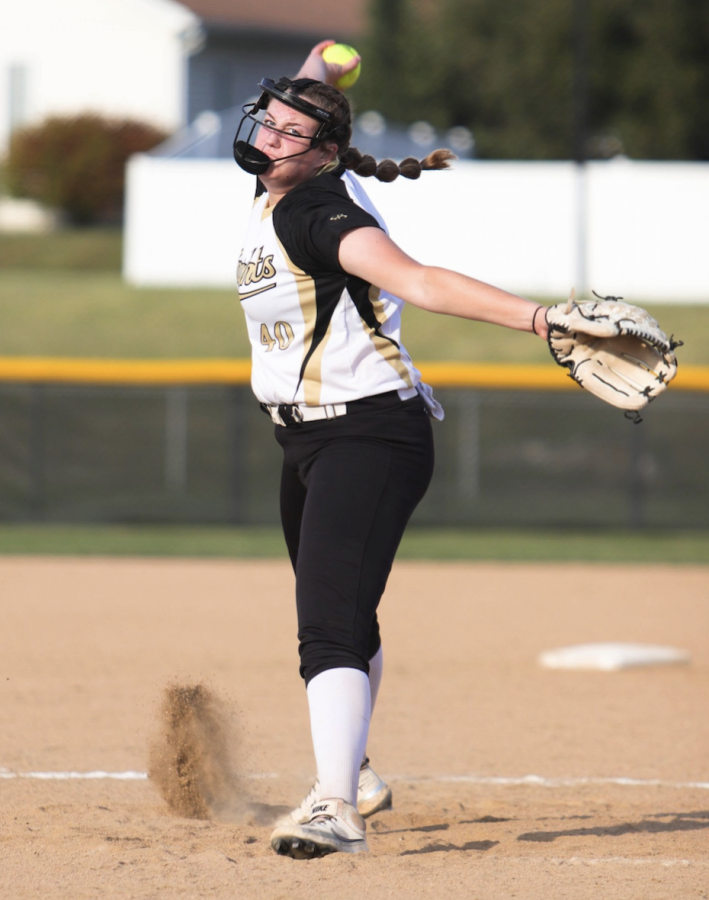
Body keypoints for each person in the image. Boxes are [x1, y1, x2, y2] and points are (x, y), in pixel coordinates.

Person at [232, 40, 550, 860]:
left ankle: (336, 806)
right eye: (266, 120)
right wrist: (325, 70)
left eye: (288, 129)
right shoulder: (280, 178)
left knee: (327, 627)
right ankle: (358, 769)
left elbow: (421, 283)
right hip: (307, 440)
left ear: (326, 152)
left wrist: (544, 320)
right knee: (341, 608)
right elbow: (311, 76)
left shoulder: (321, 212)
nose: (269, 134)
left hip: (366, 433)